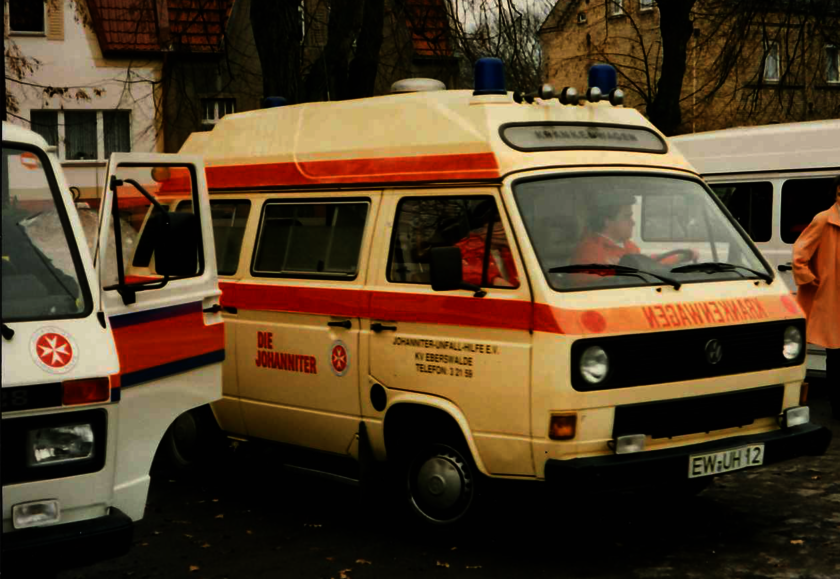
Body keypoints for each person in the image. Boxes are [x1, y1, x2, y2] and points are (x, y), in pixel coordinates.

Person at [792, 175, 840, 417]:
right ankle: (838, 406)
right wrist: (809, 277)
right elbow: (799, 253)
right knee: (836, 354)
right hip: (833, 298)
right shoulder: (824, 219)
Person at [573, 196, 697, 267]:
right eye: (627, 217)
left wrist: (679, 257)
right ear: (607, 221)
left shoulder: (629, 246)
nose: (633, 222)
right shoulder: (589, 252)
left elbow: (648, 264)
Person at [455, 202, 519, 287]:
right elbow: (457, 272)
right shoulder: (463, 249)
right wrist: (493, 280)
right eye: (498, 220)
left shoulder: (515, 248)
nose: (505, 226)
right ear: (484, 226)